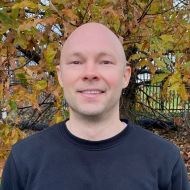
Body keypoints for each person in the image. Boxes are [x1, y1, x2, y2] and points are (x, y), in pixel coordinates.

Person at [1, 22, 189, 190]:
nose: (90, 73)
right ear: (60, 75)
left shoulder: (164, 160)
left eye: (105, 62)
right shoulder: (25, 159)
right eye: (76, 62)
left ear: (125, 76)